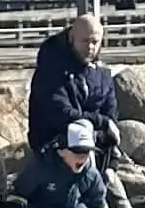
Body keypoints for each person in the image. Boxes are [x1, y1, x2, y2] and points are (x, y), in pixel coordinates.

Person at [26, 9, 117, 157]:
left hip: (96, 148)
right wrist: (102, 122)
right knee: (83, 128)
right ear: (71, 38)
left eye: (95, 42)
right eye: (85, 41)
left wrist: (112, 161)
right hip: (53, 146)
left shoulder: (102, 75)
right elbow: (61, 113)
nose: (90, 48)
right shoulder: (51, 67)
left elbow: (111, 116)